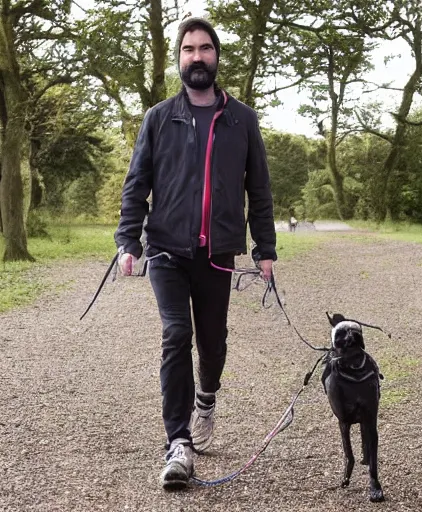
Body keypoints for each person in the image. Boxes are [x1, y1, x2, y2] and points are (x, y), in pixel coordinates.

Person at [114, 17, 277, 490]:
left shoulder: (241, 119)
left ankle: (206, 398)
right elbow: (136, 184)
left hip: (218, 253)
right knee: (176, 334)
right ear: (179, 58)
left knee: (213, 341)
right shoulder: (159, 117)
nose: (197, 56)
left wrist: (265, 249)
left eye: (205, 48)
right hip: (165, 248)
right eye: (189, 49)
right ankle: (178, 443)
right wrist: (129, 239)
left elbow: (259, 189)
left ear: (216, 57)